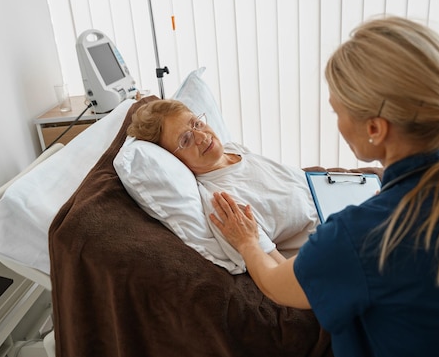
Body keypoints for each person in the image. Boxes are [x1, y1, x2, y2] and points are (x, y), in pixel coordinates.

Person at [208, 16, 439, 356]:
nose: (336, 121)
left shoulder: (361, 237)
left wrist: (248, 241)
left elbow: (277, 287)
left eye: (337, 111)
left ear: (376, 129)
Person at [127, 98, 320, 269]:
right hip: (330, 249)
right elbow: (278, 272)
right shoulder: (223, 204)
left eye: (197, 124)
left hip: (331, 204)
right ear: (173, 159)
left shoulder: (233, 150)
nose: (202, 137)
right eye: (186, 140)